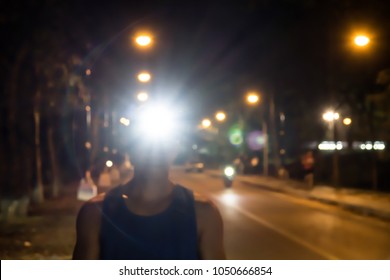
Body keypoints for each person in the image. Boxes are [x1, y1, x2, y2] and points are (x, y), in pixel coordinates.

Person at [72, 109, 226, 260]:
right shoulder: (95, 214)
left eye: (162, 143)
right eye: (145, 143)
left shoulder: (204, 214)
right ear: (130, 149)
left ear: (175, 149)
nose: (154, 152)